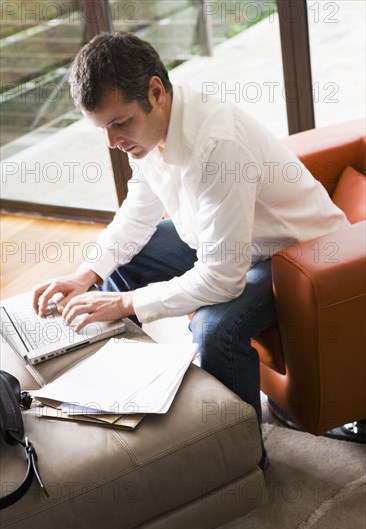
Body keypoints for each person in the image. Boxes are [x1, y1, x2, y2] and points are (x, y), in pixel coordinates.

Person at [33, 32, 349, 468]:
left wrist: (125, 302)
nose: (112, 141)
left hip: (299, 257)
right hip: (224, 241)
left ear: (156, 92)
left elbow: (222, 277)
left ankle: (241, 461)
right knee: (120, 265)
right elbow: (138, 214)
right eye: (102, 128)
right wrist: (84, 275)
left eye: (119, 123)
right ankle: (128, 392)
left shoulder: (218, 146)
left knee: (214, 328)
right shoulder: (150, 127)